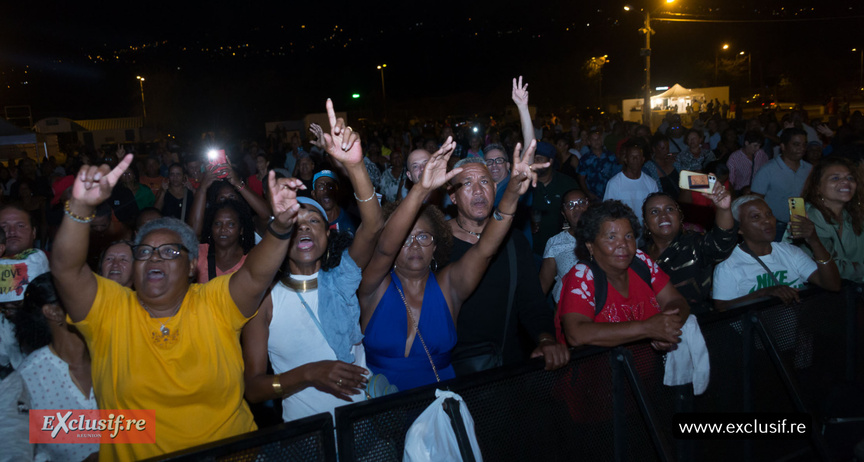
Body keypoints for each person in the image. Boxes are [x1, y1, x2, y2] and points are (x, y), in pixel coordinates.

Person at [51, 152, 304, 460]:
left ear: (190, 266)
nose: (155, 257)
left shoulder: (213, 302)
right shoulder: (109, 310)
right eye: (145, 251)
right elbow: (67, 270)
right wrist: (79, 207)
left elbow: (253, 274)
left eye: (170, 252)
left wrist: (280, 226)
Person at [242, 100, 383, 423]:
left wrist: (355, 166)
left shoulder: (343, 276)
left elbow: (373, 226)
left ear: (329, 236)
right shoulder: (264, 300)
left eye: (314, 221)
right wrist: (307, 374)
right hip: (307, 441)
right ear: (280, 239)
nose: (304, 227)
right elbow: (254, 388)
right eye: (295, 223)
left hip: (365, 426)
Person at [360, 139, 540, 391]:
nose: (413, 246)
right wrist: (421, 190)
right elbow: (383, 247)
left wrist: (510, 193)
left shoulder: (447, 286)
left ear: (436, 245)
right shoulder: (373, 287)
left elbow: (485, 250)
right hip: (380, 412)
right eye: (405, 239)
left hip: (440, 409)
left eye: (423, 237)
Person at [448, 148, 569, 375]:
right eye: (466, 183)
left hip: (506, 363)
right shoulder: (437, 243)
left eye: (485, 181)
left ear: (495, 189)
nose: (478, 190)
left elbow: (532, 302)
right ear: (452, 195)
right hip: (451, 368)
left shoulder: (514, 242)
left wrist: (545, 339)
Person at [556, 200, 689, 350]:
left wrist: (667, 327)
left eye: (628, 236)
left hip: (648, 369)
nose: (623, 245)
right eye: (612, 237)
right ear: (590, 246)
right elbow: (576, 334)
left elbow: (676, 300)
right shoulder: (583, 276)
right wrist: (648, 328)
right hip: (602, 371)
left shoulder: (641, 261)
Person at [0, 273, 98, 462]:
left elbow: (146, 428)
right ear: (53, 312)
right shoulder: (27, 380)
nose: (96, 303)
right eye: (83, 296)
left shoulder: (114, 356)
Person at [712, 196, 841, 311]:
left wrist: (814, 241)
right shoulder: (728, 263)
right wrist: (763, 293)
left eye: (769, 214)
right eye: (756, 217)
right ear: (739, 229)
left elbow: (833, 284)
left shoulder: (791, 252)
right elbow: (721, 307)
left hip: (796, 330)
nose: (767, 221)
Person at [642, 187, 736, 315]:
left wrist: (724, 209)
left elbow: (721, 244)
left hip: (699, 324)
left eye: (669, 209)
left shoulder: (693, 244)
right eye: (654, 212)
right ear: (646, 223)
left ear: (680, 216)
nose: (663, 215)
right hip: (653, 329)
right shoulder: (638, 257)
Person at [784, 157, 864, 282]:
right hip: (813, 293)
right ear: (817, 187)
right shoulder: (808, 217)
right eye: (835, 178)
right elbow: (828, 267)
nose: (845, 182)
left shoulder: (853, 216)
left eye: (850, 178)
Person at [750, 128, 812, 241]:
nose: (802, 149)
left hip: (802, 226)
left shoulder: (809, 169)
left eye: (804, 144)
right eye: (796, 144)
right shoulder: (767, 170)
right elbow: (756, 201)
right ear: (783, 146)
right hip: (776, 227)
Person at [539, 189, 589, 302]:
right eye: (570, 205)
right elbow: (542, 287)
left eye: (581, 203)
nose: (577, 208)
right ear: (563, 213)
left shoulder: (604, 237)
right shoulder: (555, 243)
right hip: (567, 309)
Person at [197, 200, 256, 283]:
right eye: (217, 223)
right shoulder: (199, 253)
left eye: (231, 224)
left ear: (241, 230)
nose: (223, 229)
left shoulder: (252, 259)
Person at [603, 141, 658, 225]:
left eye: (638, 156)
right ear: (626, 159)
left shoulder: (651, 183)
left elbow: (655, 207)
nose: (635, 159)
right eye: (632, 156)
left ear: (643, 159)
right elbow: (608, 212)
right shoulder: (614, 183)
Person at [577, 130, 621, 202]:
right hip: (593, 196)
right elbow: (581, 179)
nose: (596, 141)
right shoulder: (585, 159)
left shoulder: (611, 156)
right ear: (589, 142)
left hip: (611, 194)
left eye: (598, 139)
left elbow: (617, 175)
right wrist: (588, 193)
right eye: (593, 139)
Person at [311, 170, 358, 235]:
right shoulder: (310, 225)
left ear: (338, 192)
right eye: (321, 186)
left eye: (330, 186)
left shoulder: (353, 222)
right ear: (314, 194)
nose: (325, 190)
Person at [727, 130, 769, 195]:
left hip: (758, 192)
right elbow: (730, 181)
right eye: (755, 146)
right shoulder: (734, 158)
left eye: (759, 146)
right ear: (746, 143)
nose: (757, 148)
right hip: (740, 192)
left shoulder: (761, 154)